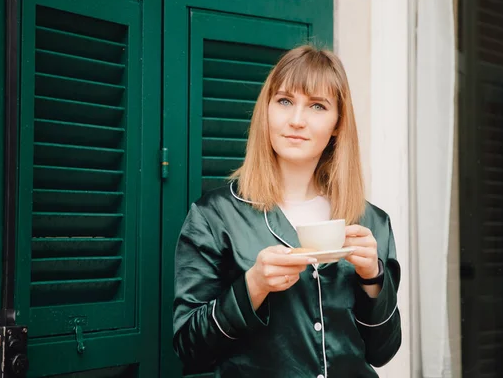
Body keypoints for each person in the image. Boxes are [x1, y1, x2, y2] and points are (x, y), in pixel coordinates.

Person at [172, 45, 401, 377]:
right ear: (266, 110)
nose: (297, 120)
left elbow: (383, 351)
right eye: (284, 101)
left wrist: (374, 279)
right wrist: (253, 286)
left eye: (317, 106)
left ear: (337, 124)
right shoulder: (214, 217)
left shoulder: (372, 223)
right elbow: (189, 349)